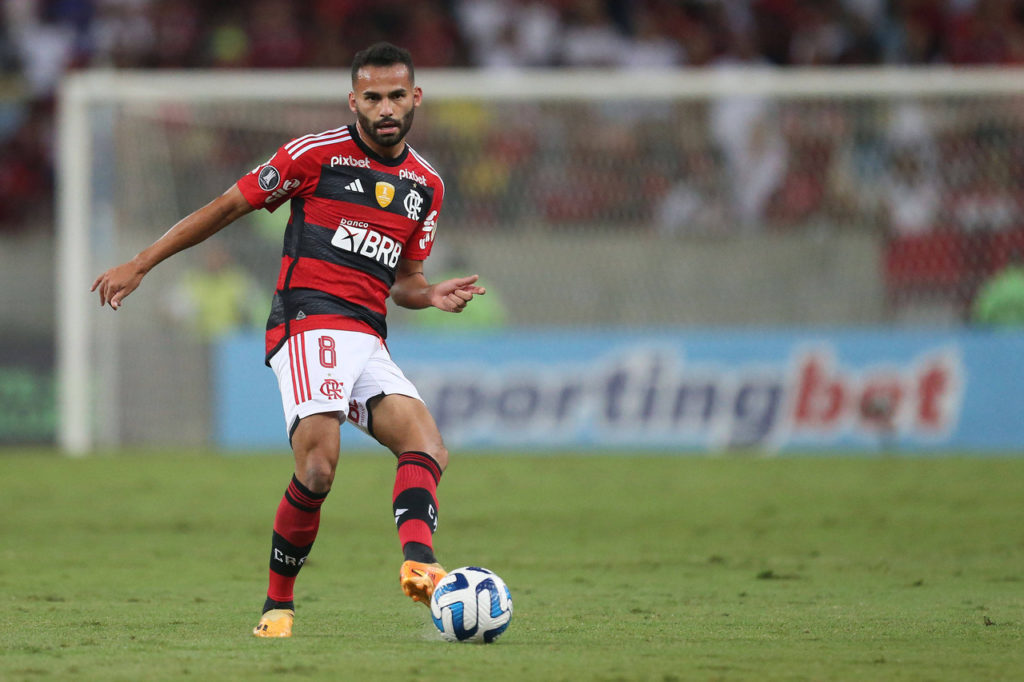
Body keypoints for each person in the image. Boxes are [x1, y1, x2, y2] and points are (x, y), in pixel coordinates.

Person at [91, 42, 486, 638]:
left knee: (428, 448)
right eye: (372, 97)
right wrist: (143, 263)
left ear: (416, 99)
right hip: (308, 320)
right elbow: (227, 207)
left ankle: (421, 565)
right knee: (320, 467)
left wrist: (430, 296)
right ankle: (278, 606)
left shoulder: (424, 186)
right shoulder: (314, 156)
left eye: (396, 97)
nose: (385, 108)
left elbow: (405, 282)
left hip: (368, 336)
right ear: (354, 99)